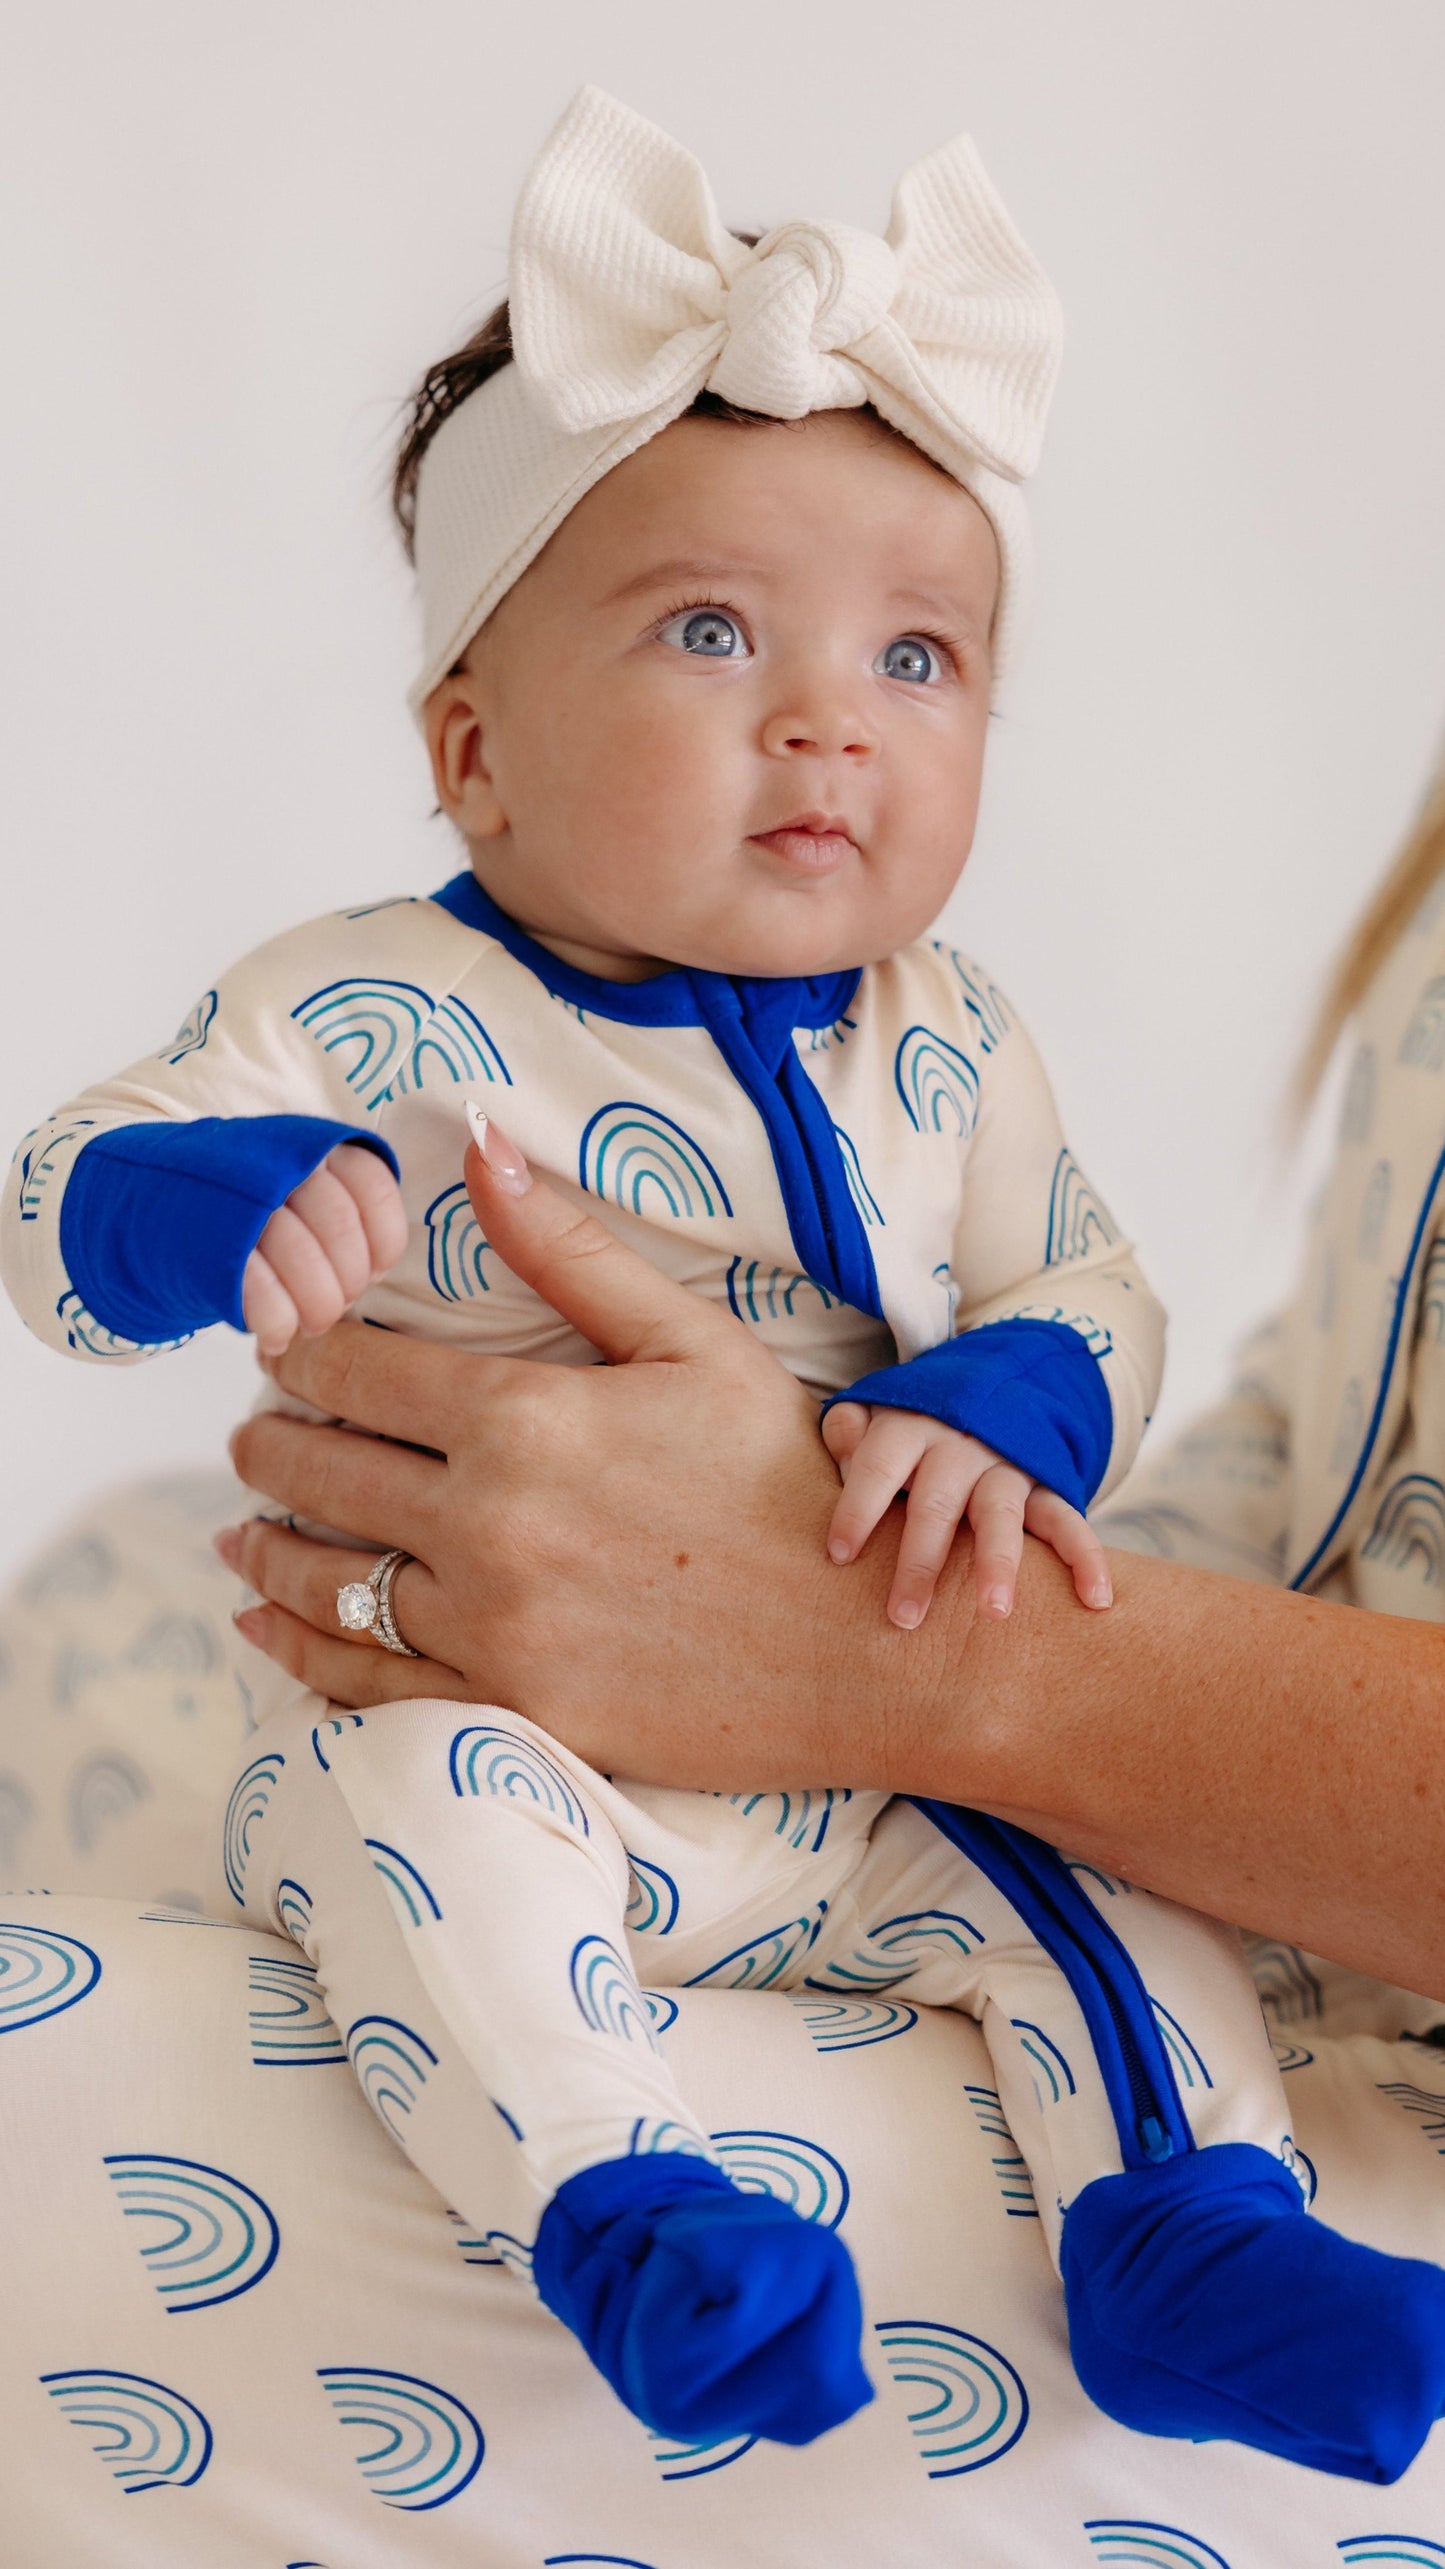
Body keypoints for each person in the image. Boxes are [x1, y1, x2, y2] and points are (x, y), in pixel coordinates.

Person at [7, 86, 1445, 2482]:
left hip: (893, 1747)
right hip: (519, 1734)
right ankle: (628, 2209)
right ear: (472, 748)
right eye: (711, 631)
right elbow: (67, 1194)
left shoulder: (956, 1043)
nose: (832, 719)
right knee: (409, 1828)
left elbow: (1088, 1292)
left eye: (921, 654)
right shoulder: (373, 1004)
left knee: (1100, 1919)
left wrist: (1005, 1406)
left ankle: (1189, 2231)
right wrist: (206, 1199)